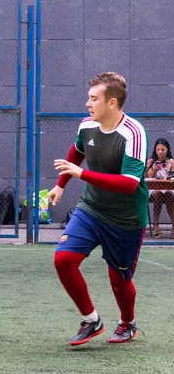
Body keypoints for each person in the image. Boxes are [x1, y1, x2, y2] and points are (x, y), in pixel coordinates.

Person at [48, 72, 148, 346]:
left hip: (126, 219)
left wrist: (81, 175)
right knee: (63, 260)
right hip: (91, 208)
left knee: (119, 278)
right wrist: (60, 185)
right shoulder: (86, 125)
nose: (88, 103)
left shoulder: (133, 132)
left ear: (112, 103)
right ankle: (91, 320)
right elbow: (77, 151)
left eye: (94, 98)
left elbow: (129, 184)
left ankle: (127, 323)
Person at [145, 138, 174, 238]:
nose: (160, 152)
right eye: (158, 150)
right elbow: (149, 179)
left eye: (163, 149)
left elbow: (173, 175)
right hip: (154, 191)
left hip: (168, 189)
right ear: (155, 150)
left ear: (167, 150)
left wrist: (168, 176)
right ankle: (156, 226)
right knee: (158, 193)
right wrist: (154, 170)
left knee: (169, 194)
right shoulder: (152, 162)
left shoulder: (171, 162)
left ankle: (173, 226)